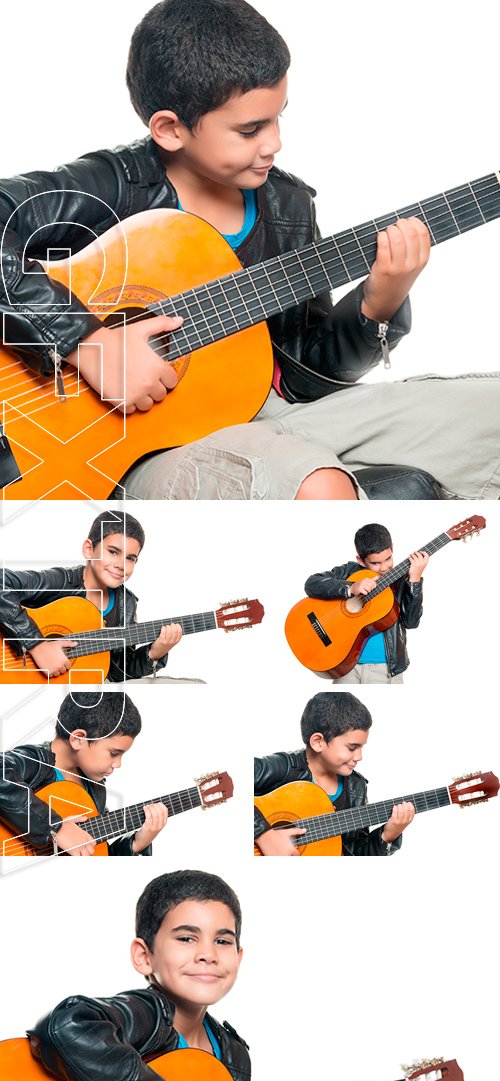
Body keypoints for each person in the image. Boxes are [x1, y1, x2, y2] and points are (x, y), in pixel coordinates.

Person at [0, 0, 498, 501]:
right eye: (249, 130)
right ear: (170, 129)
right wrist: (90, 343)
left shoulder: (288, 204)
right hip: (151, 444)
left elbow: (309, 375)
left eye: (278, 119)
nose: (274, 143)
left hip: (282, 412)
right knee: (315, 486)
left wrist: (379, 303)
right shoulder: (111, 187)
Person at [29, 869, 362, 1081]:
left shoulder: (233, 1057)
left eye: (222, 940)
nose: (208, 954)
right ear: (144, 957)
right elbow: (66, 1026)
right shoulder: (145, 1015)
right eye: (186, 938)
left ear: (239, 957)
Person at [0, 508, 182, 680]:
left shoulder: (126, 604)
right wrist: (37, 646)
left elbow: (115, 670)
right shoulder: (62, 582)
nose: (121, 564)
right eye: (113, 552)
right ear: (89, 549)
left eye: (130, 558)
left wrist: (154, 653)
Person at [0, 691, 168, 855]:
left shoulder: (94, 792)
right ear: (78, 739)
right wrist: (56, 827)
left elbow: (95, 853)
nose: (118, 764)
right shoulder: (37, 762)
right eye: (114, 753)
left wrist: (137, 844)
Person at [254, 691, 415, 855]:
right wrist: (265, 835)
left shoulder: (355, 787)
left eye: (361, 747)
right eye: (352, 748)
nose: (359, 757)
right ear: (318, 742)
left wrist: (388, 836)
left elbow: (353, 853)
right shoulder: (284, 767)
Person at [304, 523, 428, 684]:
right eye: (375, 563)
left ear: (392, 548)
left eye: (388, 559)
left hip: (386, 669)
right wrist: (351, 587)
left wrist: (415, 580)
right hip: (347, 666)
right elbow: (312, 583)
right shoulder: (351, 572)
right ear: (361, 560)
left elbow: (411, 622)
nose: (384, 567)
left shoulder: (403, 580)